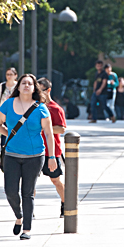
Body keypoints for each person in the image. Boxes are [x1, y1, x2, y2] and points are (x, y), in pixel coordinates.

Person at [0, 73, 57, 240]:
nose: (26, 86)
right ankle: (19, 216)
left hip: (35, 156)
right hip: (12, 154)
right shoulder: (8, 104)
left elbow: (49, 134)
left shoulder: (41, 108)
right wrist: (9, 135)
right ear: (18, 87)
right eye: (23, 83)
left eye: (30, 83)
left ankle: (26, 228)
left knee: (27, 192)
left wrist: (52, 158)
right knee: (10, 191)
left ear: (34, 88)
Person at [37, 77, 67, 217]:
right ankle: (28, 210)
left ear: (48, 90)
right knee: (30, 181)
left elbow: (61, 129)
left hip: (52, 151)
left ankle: (65, 203)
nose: (38, 94)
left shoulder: (56, 109)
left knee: (55, 180)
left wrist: (45, 128)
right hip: (34, 150)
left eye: (41, 90)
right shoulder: (33, 106)